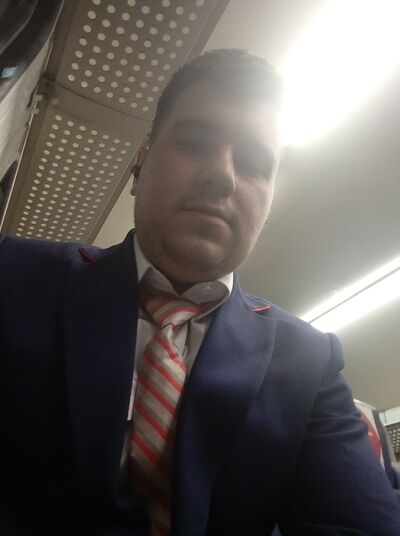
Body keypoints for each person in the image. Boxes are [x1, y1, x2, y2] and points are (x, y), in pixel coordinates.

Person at [0, 49, 399, 536]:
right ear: (140, 163)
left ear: (268, 202)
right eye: (193, 143)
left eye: (254, 163)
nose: (223, 176)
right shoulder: (15, 275)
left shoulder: (309, 363)